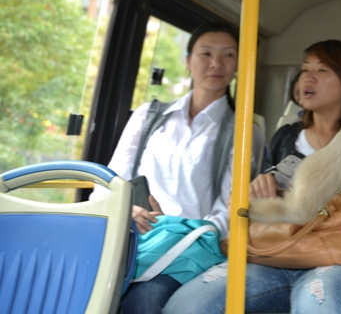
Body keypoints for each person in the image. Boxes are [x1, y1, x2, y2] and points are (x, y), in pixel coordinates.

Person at [163, 39, 341, 314]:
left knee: (314, 307)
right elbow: (265, 206)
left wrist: (332, 206)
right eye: (305, 70)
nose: (309, 78)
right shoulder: (286, 137)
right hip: (275, 254)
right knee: (186, 306)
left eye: (322, 71)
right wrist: (262, 193)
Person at [93, 21, 262, 314]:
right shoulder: (150, 115)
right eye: (206, 54)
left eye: (228, 55)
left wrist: (177, 231)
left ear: (238, 66)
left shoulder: (244, 131)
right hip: (130, 234)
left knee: (142, 301)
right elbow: (110, 181)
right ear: (188, 61)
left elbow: (228, 209)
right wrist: (123, 210)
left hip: (188, 249)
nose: (216, 64)